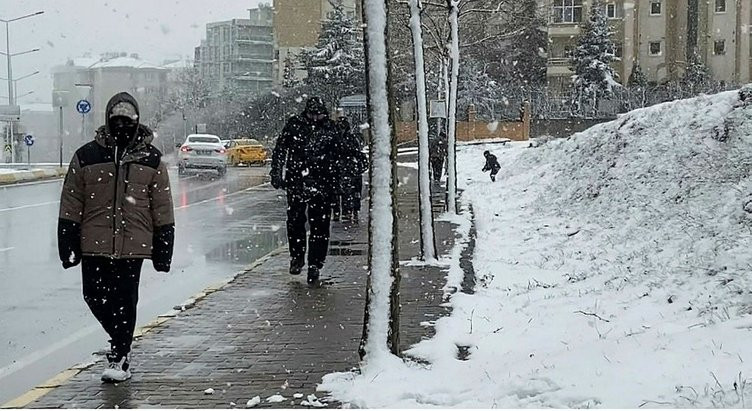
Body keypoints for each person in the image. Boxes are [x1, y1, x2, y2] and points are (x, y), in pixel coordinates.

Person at [57, 92, 175, 383]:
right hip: (93, 243)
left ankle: (120, 356)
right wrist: (67, 241)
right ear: (108, 119)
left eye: (127, 117)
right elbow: (71, 202)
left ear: (136, 120)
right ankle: (118, 336)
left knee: (124, 299)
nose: (121, 123)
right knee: (93, 295)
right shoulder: (86, 156)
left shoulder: (152, 159)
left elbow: (162, 207)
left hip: (132, 245)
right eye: (116, 117)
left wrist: (163, 247)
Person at [270, 97, 340, 285]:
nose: (315, 118)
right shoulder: (295, 126)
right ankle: (297, 257)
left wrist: (338, 182)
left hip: (323, 182)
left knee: (320, 226)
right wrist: (277, 173)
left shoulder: (331, 129)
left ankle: (315, 264)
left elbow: (340, 156)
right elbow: (280, 150)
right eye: (312, 115)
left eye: (319, 115)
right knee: (295, 221)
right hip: (297, 181)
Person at [334, 109, 367, 223]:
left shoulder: (340, 139)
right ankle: (346, 211)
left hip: (346, 168)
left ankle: (344, 211)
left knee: (344, 191)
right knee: (347, 192)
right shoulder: (349, 139)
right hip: (346, 169)